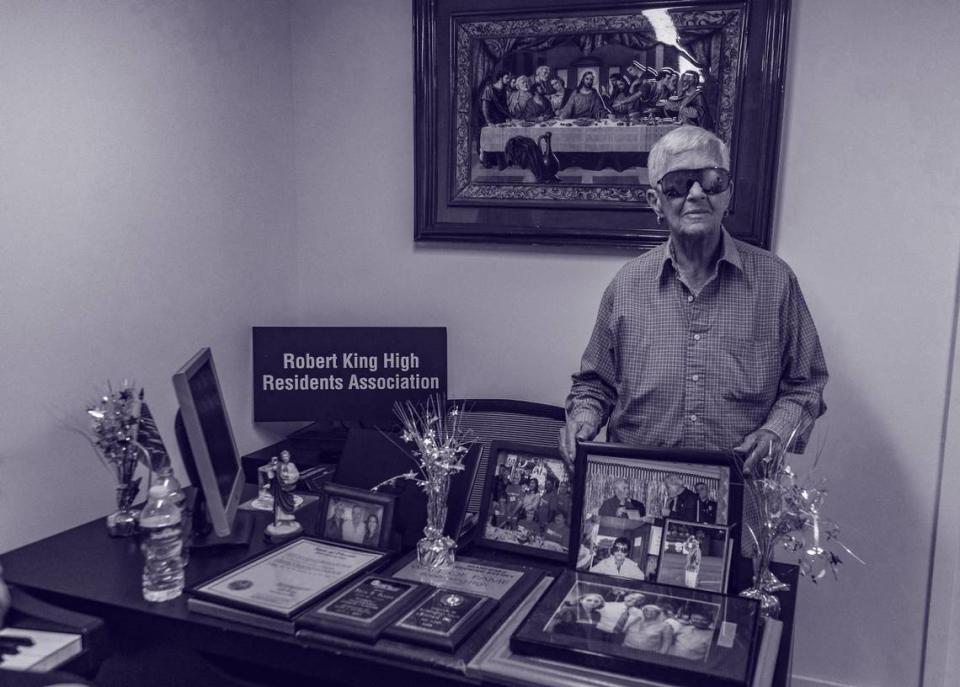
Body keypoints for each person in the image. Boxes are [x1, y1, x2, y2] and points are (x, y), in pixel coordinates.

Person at [561, 125, 828, 477]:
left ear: (728, 193)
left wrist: (775, 432)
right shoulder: (626, 285)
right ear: (655, 201)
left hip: (738, 489)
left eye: (711, 179)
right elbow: (595, 384)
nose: (697, 193)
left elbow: (805, 383)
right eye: (678, 183)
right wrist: (584, 419)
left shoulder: (776, 282)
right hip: (635, 488)